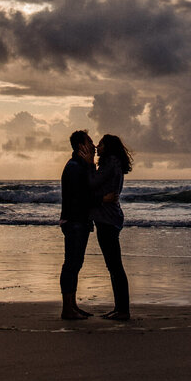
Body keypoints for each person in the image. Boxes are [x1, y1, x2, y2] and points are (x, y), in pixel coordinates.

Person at [90, 134, 133, 321]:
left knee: (114, 266)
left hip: (108, 218)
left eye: (100, 144)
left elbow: (92, 182)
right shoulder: (113, 164)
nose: (97, 146)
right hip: (109, 217)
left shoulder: (111, 163)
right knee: (114, 266)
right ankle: (119, 308)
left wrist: (88, 162)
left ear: (108, 147)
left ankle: (122, 310)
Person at [59, 130, 96, 320]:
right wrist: (91, 166)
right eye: (90, 142)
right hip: (75, 221)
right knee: (72, 264)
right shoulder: (75, 166)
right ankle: (67, 308)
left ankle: (72, 305)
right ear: (81, 146)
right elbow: (88, 191)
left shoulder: (80, 165)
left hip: (78, 220)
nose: (94, 145)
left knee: (76, 263)